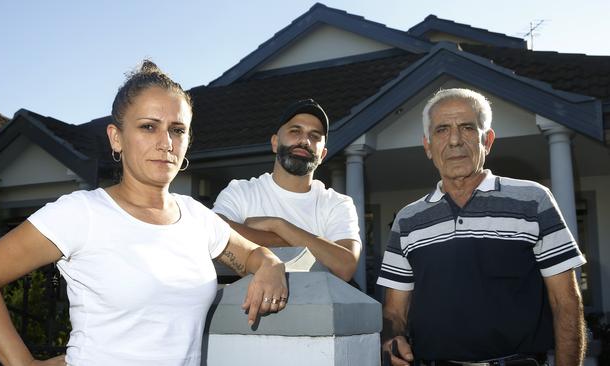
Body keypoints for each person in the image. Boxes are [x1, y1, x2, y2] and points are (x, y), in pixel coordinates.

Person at [0, 60, 287, 366]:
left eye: (177, 129)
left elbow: (253, 256)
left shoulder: (196, 218)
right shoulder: (81, 214)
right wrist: (23, 363)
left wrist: (271, 265)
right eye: (148, 127)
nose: (166, 143)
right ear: (116, 138)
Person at [377, 88, 587, 366]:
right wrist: (393, 337)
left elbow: (566, 304)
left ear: (487, 140)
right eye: (442, 130)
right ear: (427, 146)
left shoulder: (533, 200)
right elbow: (394, 313)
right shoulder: (406, 220)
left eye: (467, 128)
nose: (454, 140)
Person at [212, 99, 361, 282]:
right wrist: (310, 247)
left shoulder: (337, 203)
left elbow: (345, 266)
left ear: (322, 155)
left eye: (314, 136)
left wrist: (278, 225)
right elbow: (213, 233)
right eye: (295, 131)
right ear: (275, 143)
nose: (304, 141)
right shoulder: (241, 191)